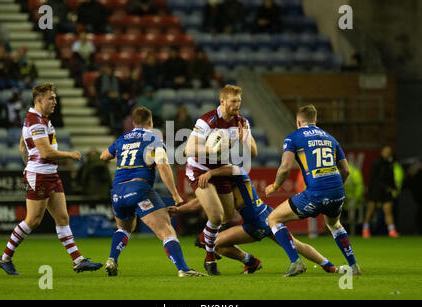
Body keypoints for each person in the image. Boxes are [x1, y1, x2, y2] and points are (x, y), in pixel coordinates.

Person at [0, 83, 103, 275]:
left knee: (62, 217)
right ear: (39, 100)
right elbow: (45, 152)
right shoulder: (36, 121)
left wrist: (29, 163)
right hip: (40, 175)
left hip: (49, 174)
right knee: (33, 220)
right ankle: (5, 258)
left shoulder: (39, 118)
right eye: (51, 98)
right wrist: (69, 155)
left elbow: (22, 146)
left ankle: (78, 261)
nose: (55, 101)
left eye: (55, 98)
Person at [169, 164, 341, 275]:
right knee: (295, 244)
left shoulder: (238, 174)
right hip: (261, 218)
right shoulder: (226, 187)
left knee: (214, 243)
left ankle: (251, 262)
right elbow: (199, 203)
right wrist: (178, 209)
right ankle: (328, 266)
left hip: (259, 221)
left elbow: (231, 169)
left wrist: (210, 172)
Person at [100, 106, 206, 277]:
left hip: (118, 192)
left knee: (125, 228)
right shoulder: (153, 139)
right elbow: (163, 166)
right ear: (150, 122)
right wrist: (175, 194)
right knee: (166, 230)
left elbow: (104, 156)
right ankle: (184, 269)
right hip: (139, 188)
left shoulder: (122, 139)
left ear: (133, 123)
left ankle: (112, 259)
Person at [264, 104, 361, 277]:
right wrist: (335, 188)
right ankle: (353, 266)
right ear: (315, 121)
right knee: (334, 224)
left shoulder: (294, 137)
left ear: (298, 122)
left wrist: (275, 186)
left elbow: (285, 167)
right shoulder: (331, 138)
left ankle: (296, 262)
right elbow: (345, 170)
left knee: (273, 219)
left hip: (316, 192)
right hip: (337, 191)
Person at [184, 84, 258, 275]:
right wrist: (211, 150)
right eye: (234, 101)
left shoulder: (242, 122)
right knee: (216, 216)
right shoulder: (207, 121)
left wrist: (244, 140)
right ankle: (210, 259)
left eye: (239, 101)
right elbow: (187, 150)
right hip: (200, 170)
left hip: (220, 170)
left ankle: (203, 238)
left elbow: (255, 153)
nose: (237, 105)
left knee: (227, 216)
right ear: (222, 101)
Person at [362, 146, 400, 238]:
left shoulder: (391, 164)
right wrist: (385, 187)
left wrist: (394, 188)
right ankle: (365, 230)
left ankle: (392, 231)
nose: (387, 153)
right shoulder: (376, 163)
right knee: (371, 211)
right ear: (382, 152)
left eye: (389, 152)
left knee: (388, 211)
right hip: (375, 190)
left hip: (386, 192)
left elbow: (391, 179)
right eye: (386, 151)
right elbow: (375, 179)